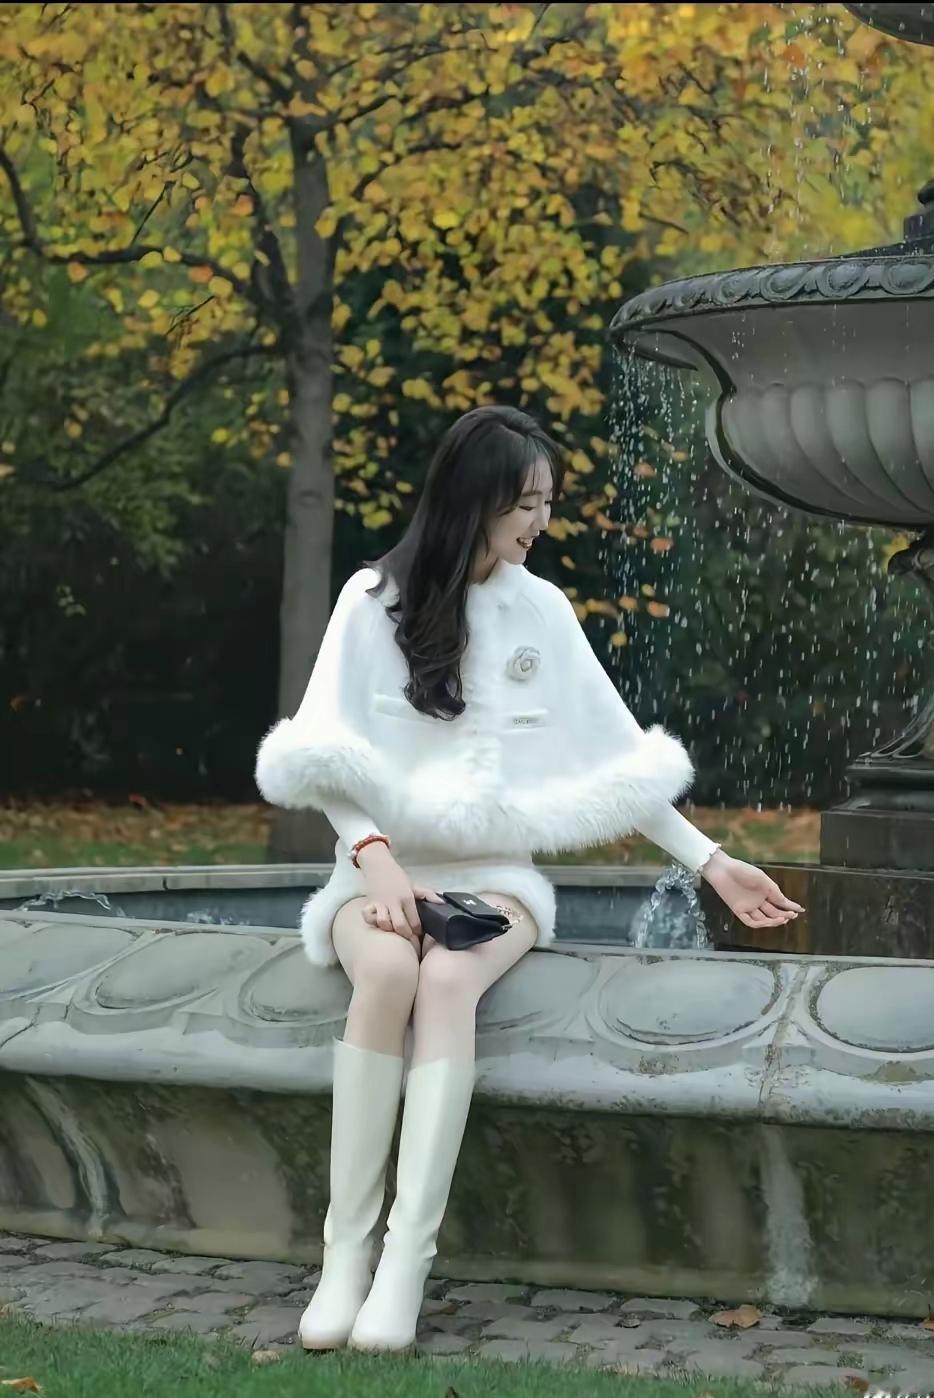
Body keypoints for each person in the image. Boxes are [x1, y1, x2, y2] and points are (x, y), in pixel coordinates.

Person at [255, 404, 803, 1354]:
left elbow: (613, 757)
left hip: (496, 881)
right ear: (476, 500)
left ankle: (404, 1266)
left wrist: (712, 863)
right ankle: (343, 1258)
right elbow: (320, 755)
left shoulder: (542, 610)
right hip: (376, 869)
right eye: (529, 502)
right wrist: (376, 859)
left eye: (547, 501)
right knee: (387, 973)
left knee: (446, 980)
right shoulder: (369, 599)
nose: (542, 521)